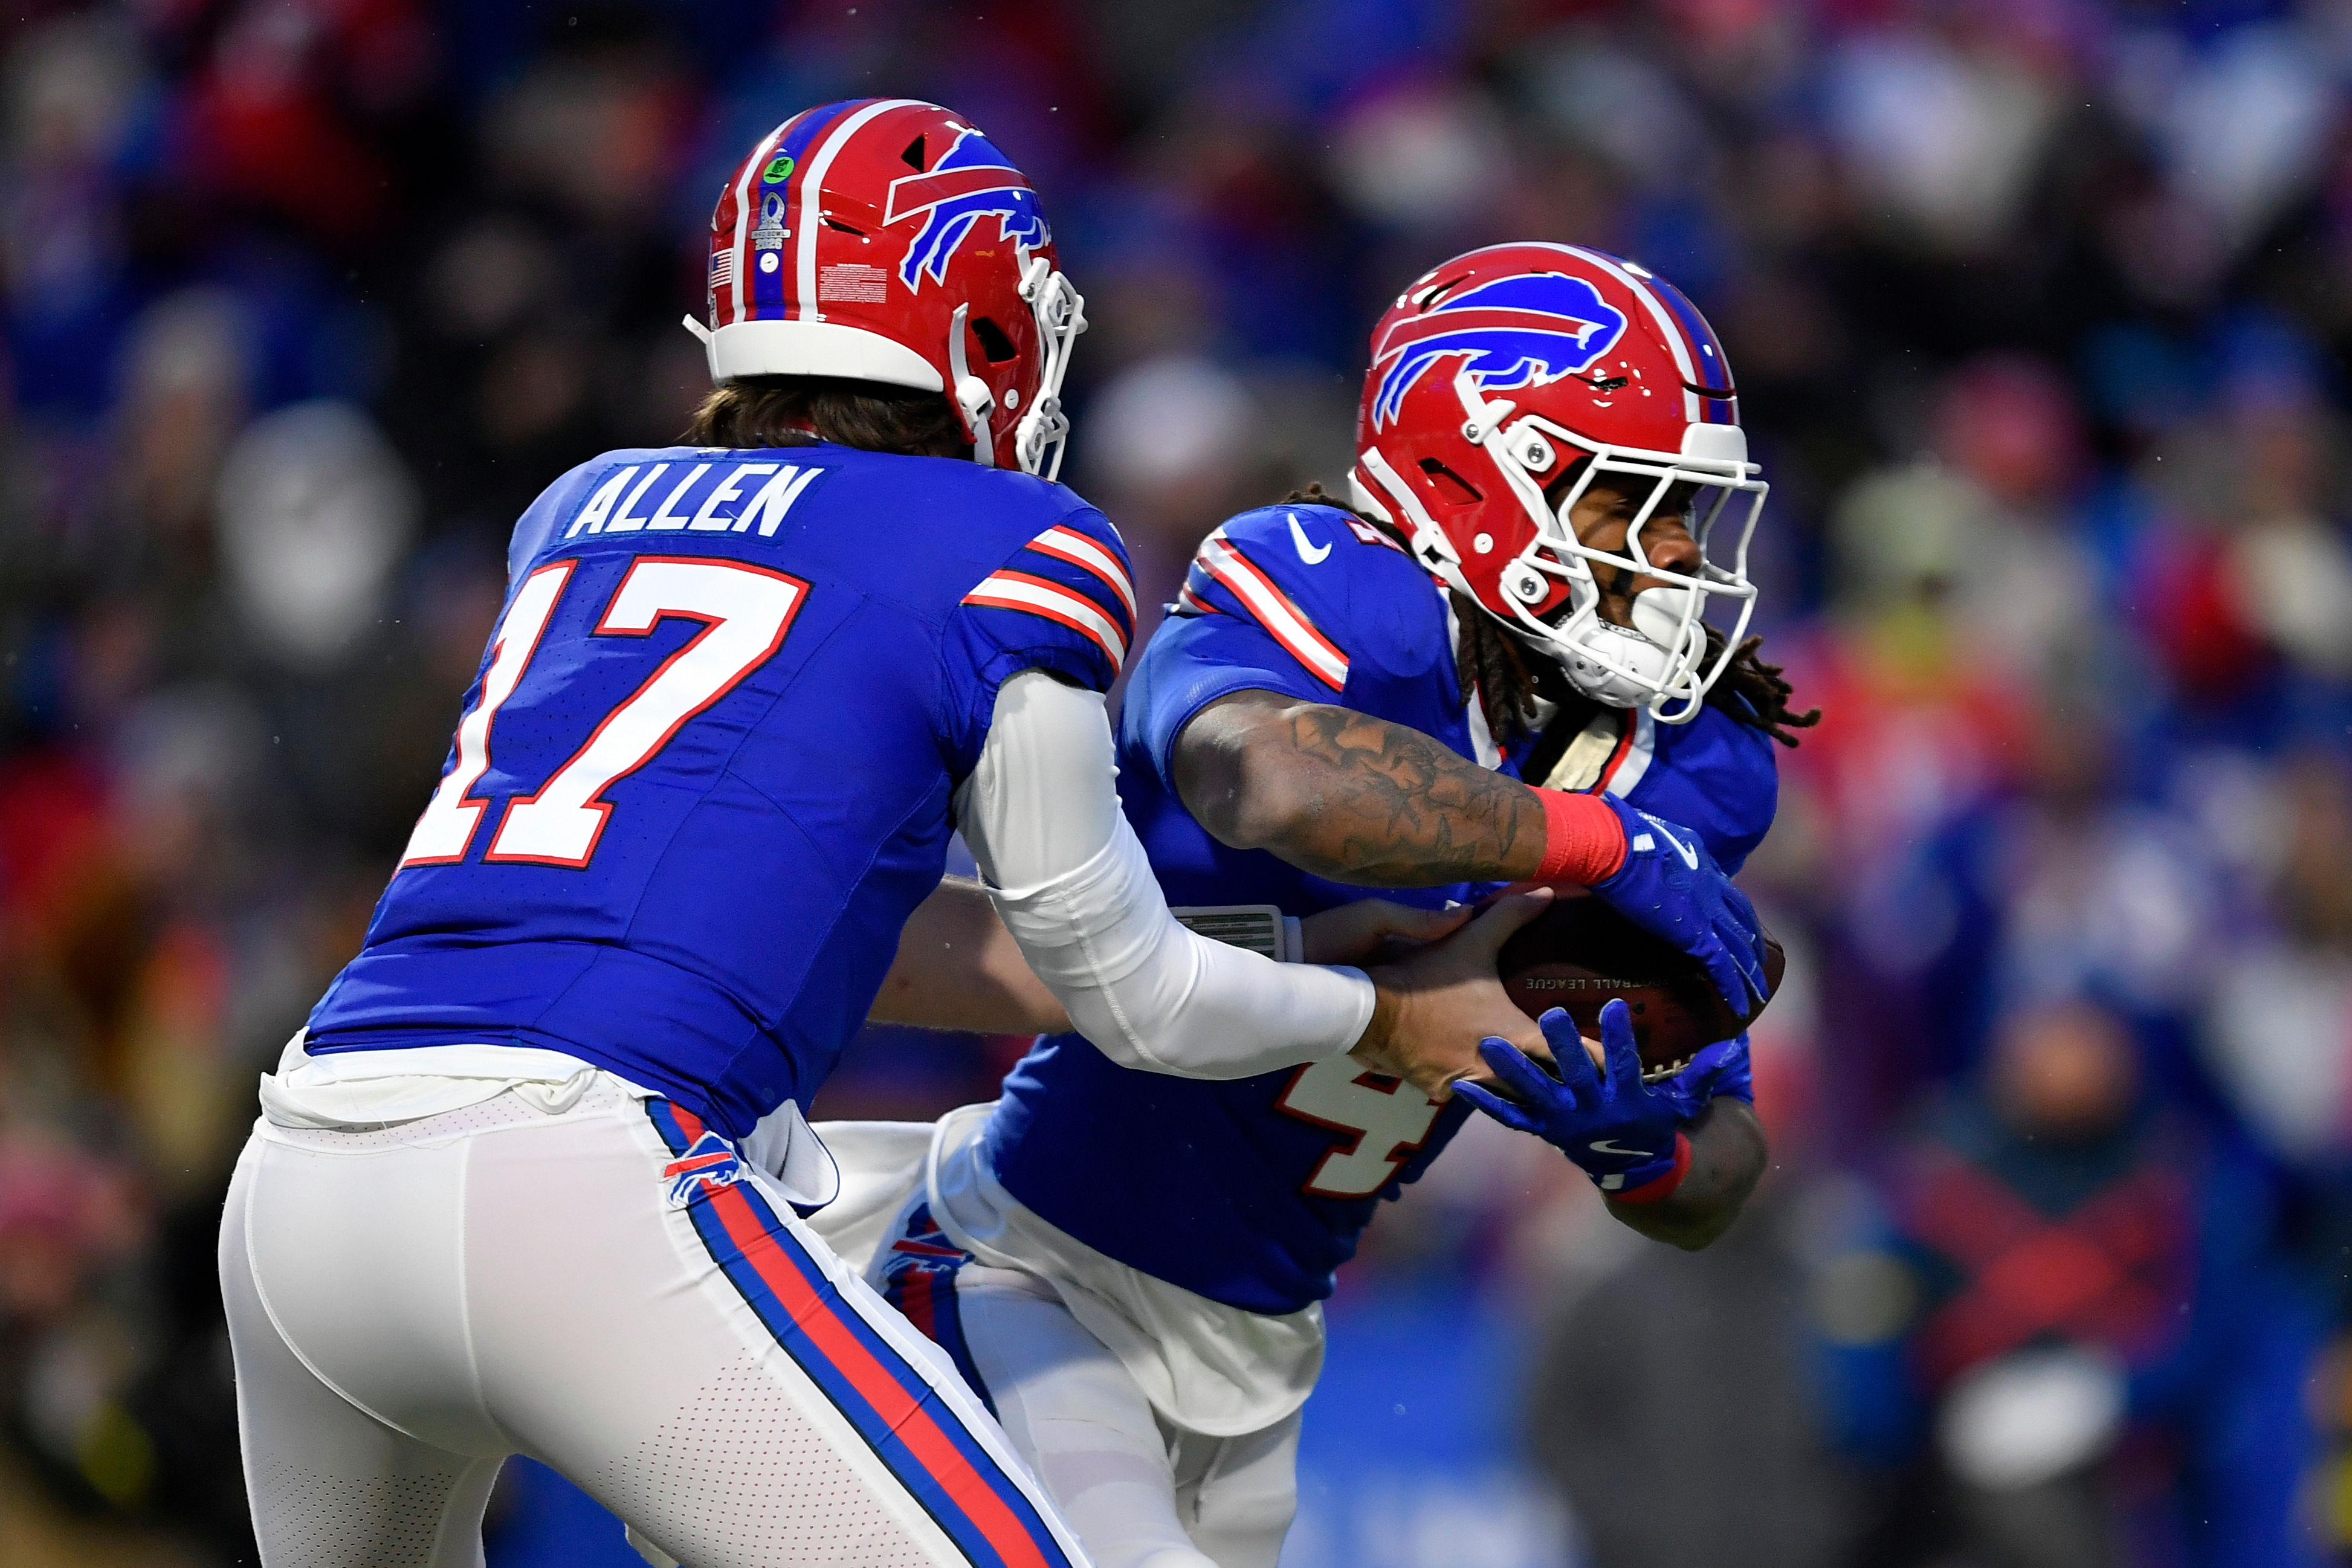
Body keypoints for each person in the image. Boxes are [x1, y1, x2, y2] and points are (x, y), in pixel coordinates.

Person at [216, 104, 1722, 1568]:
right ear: (991, 333)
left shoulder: (579, 509)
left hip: (304, 1178)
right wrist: (1400, 1001)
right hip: (590, 1181)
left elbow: (869, 936)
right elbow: (1135, 980)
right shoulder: (1009, 544)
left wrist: (1331, 954)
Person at [847, 243, 1811, 1568]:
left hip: (1265, 1352)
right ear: (1483, 474)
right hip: (1033, 1268)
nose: (1670, 555)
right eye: (1626, 500)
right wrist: (1591, 844)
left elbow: (1721, 1167)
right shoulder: (1341, 591)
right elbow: (1263, 780)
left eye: (1683, 512)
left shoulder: (1686, 764)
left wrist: (1644, 1152)